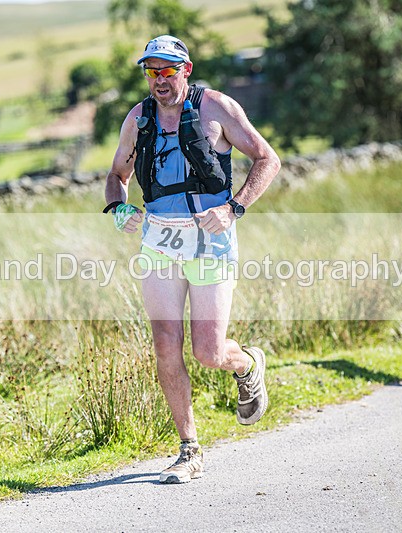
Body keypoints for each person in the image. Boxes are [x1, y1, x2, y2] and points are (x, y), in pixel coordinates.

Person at [103, 35, 281, 483]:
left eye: (168, 70)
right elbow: (116, 175)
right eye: (151, 71)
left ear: (186, 69)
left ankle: (245, 364)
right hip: (158, 241)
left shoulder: (216, 107)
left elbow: (267, 159)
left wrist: (233, 207)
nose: (159, 80)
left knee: (208, 352)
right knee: (165, 344)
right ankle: (189, 448)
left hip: (210, 240)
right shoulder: (138, 117)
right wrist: (119, 207)